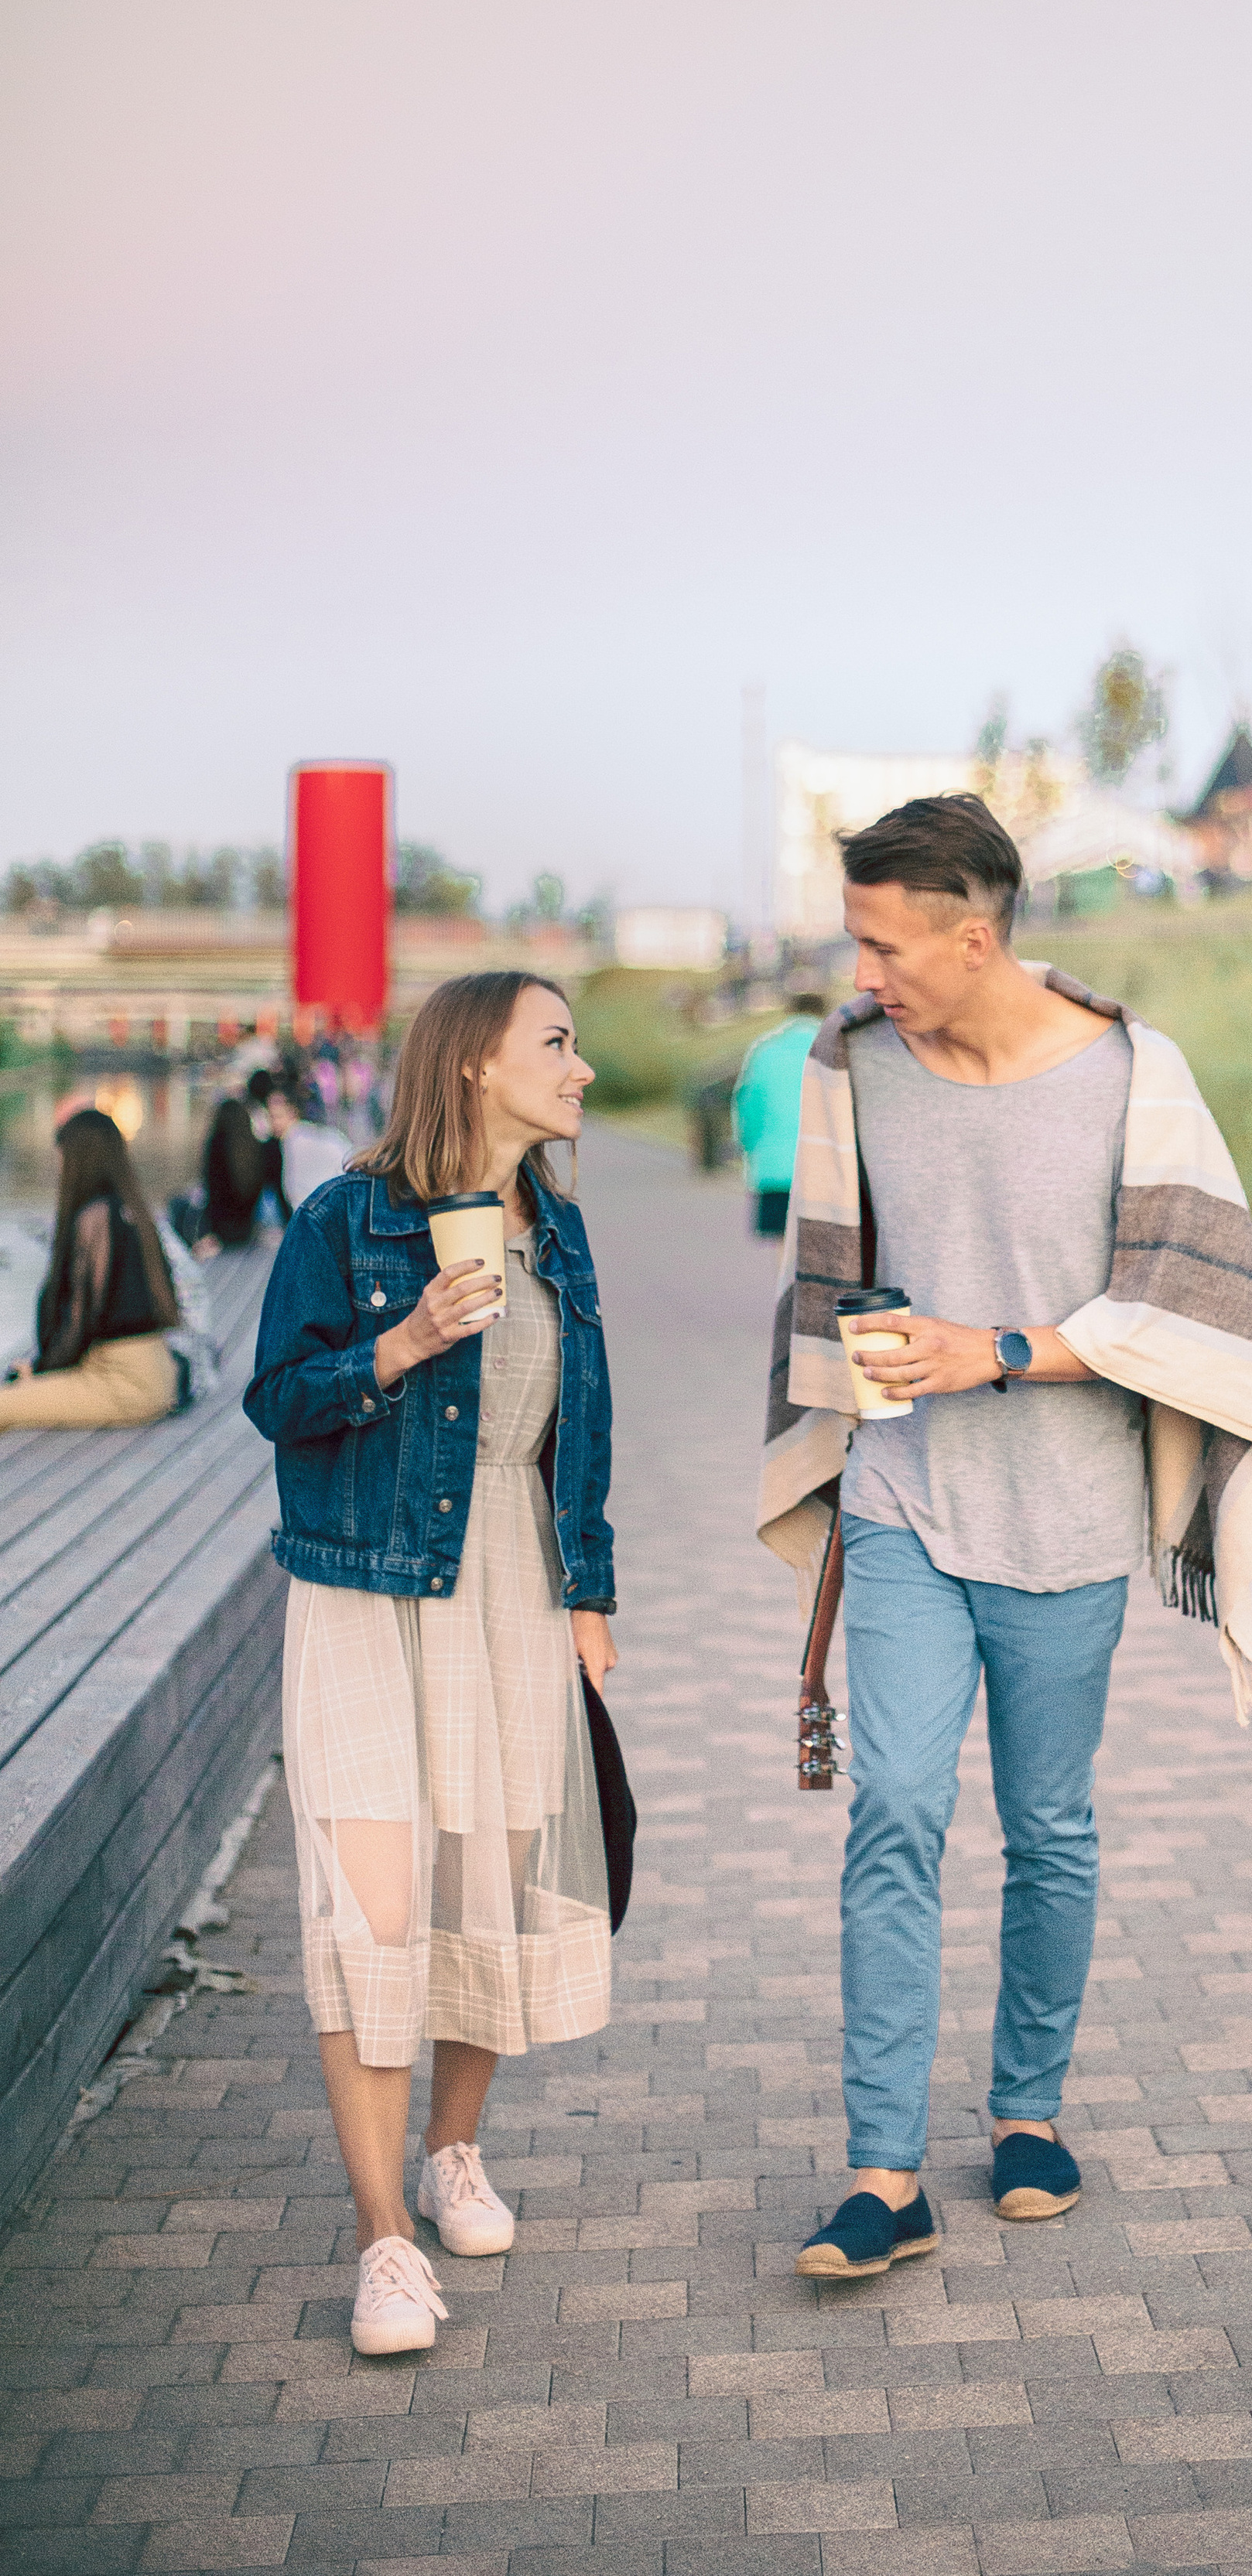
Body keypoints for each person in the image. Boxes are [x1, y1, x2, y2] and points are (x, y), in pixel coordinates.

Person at [755, 794, 1252, 2280]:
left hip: (1069, 1516)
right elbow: (830, 1273)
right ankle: (883, 2173)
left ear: (975, 932)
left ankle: (1026, 2120)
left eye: (883, 943)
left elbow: (1185, 1309)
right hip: (903, 1508)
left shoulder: (1135, 1075)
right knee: (896, 1811)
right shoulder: (853, 1068)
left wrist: (992, 1348)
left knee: (1050, 1829)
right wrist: (872, 1350)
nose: (861, 971)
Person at [245, 972, 619, 2358]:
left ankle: (452, 2152)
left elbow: (582, 1424)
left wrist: (593, 1591)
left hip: (516, 1587)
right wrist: (398, 1345)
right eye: (559, 1044)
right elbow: (276, 1397)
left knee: (488, 1888)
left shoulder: (561, 1234)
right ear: (475, 1065)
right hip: (365, 1588)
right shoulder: (349, 1219)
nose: (582, 1069)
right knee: (376, 1915)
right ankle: (382, 2240)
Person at [0, 1109, 182, 1431]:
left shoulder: (95, 1217)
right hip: (154, 1368)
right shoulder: (133, 1210)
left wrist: (40, 1372)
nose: (57, 1167)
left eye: (61, 1157)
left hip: (123, 1380)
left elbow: (81, 1316)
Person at [731, 990, 828, 1237]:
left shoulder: (764, 1051)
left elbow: (747, 1110)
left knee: (783, 1245)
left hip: (775, 1168)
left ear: (790, 1013)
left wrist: (750, 1149)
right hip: (826, 1169)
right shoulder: (834, 1047)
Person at [193, 1093, 279, 1254]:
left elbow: (213, 1194)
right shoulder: (257, 1149)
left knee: (179, 1205)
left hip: (221, 1232)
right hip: (247, 1230)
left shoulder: (216, 1147)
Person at [267, 1078, 351, 1212]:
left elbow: (297, 1191)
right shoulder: (305, 1136)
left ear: (293, 1113)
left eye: (277, 1116)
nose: (273, 1123)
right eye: (270, 1116)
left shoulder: (296, 1142)